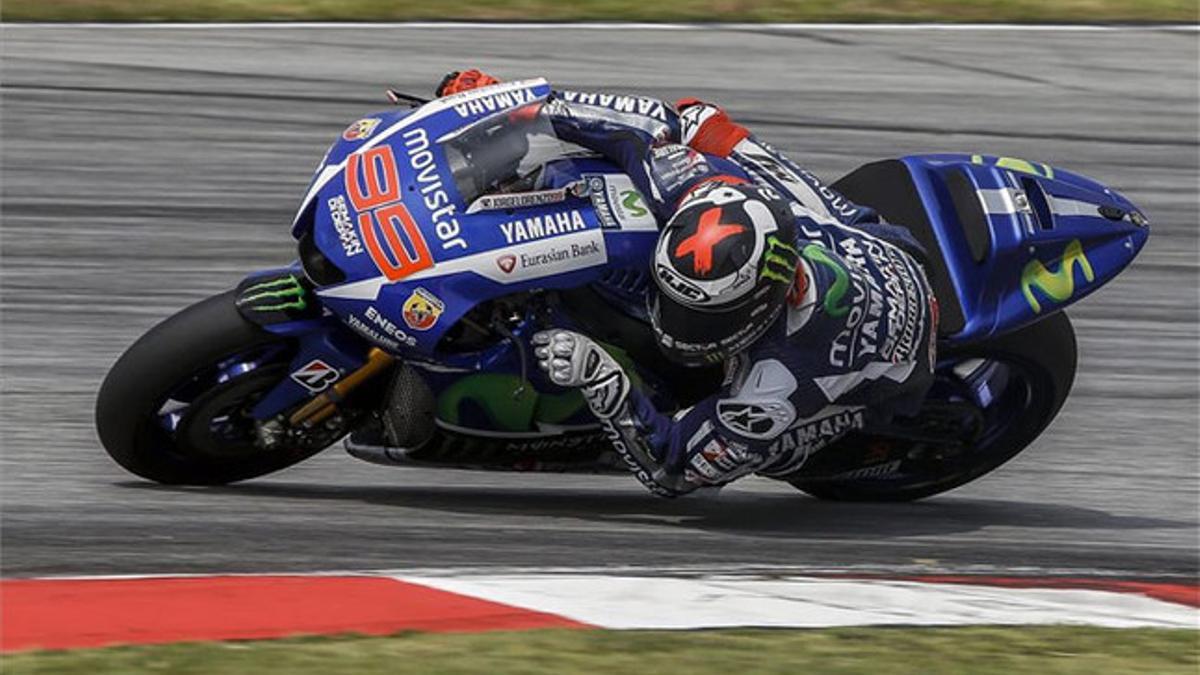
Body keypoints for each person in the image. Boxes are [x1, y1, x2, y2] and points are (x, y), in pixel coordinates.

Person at [440, 70, 940, 497]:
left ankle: (842, 434)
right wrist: (511, 105)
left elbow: (671, 471)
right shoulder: (705, 192)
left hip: (898, 361)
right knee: (703, 124)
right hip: (867, 244)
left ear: (766, 305)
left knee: (772, 456)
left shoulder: (778, 384)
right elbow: (645, 127)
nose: (676, 323)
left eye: (705, 315)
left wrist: (602, 376)